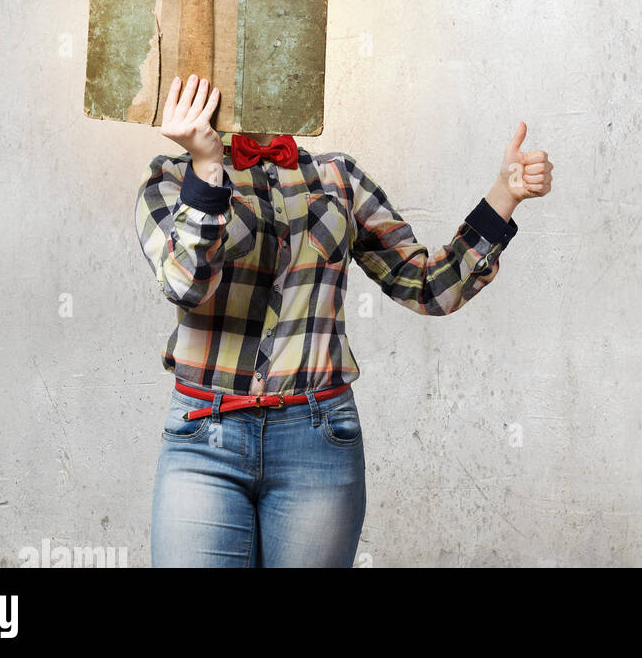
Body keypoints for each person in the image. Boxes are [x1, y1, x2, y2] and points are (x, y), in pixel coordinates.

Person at [135, 72, 552, 567]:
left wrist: (504, 196)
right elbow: (186, 284)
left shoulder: (339, 178)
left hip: (317, 438)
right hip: (205, 438)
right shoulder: (168, 180)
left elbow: (429, 288)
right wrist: (206, 169)